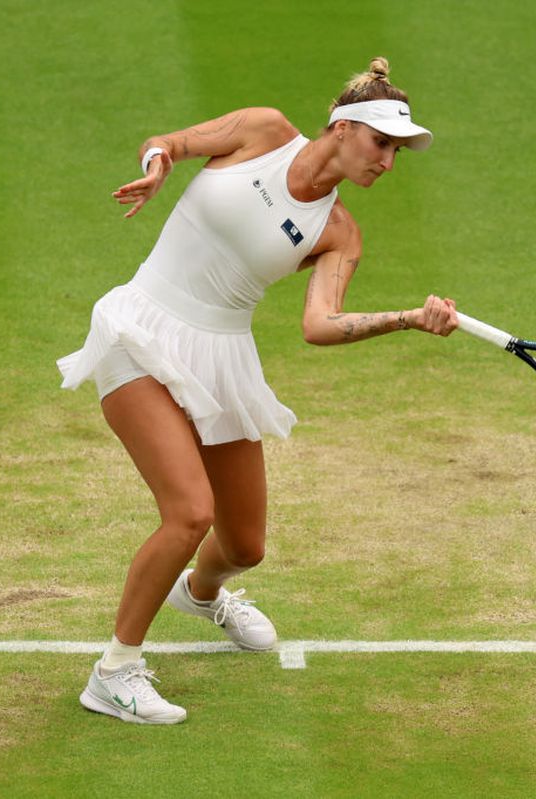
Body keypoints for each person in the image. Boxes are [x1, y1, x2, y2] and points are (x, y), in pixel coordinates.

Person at [57, 57, 458, 725]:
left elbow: (319, 325)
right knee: (188, 512)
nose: (387, 161)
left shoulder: (339, 232)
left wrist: (408, 319)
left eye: (397, 151)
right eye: (381, 142)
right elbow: (172, 143)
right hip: (143, 325)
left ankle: (203, 592)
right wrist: (158, 163)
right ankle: (114, 671)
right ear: (341, 126)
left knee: (243, 544)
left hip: (222, 358)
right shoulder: (264, 132)